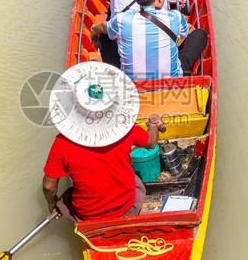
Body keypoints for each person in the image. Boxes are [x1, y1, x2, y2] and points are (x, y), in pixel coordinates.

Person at [42, 61, 164, 221]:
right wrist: (153, 125)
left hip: (88, 215)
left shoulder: (61, 142)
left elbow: (49, 186)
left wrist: (52, 203)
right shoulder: (125, 128)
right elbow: (151, 143)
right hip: (126, 207)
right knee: (133, 177)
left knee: (67, 196)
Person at [91, 0, 208, 81]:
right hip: (171, 83)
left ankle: (117, 78)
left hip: (133, 86)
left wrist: (93, 29)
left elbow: (102, 27)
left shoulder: (122, 20)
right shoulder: (175, 17)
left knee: (104, 36)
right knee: (200, 35)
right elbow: (189, 31)